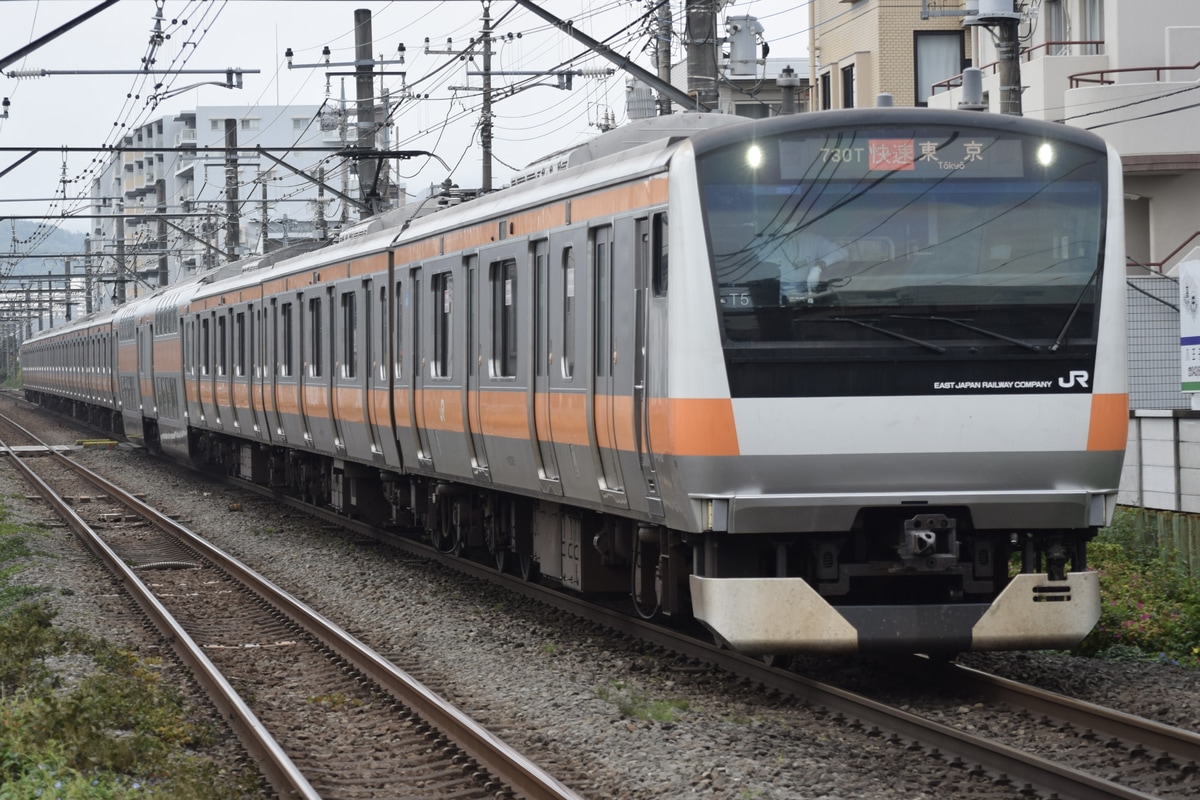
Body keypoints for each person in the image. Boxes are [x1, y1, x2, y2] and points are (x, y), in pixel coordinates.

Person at [776, 231, 849, 302]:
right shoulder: (768, 242)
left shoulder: (811, 240)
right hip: (776, 304)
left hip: (810, 299)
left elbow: (841, 253)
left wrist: (818, 267)